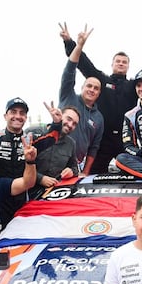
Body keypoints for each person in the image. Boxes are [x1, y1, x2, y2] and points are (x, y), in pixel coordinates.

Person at [59, 22, 142, 174]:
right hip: (102, 139)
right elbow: (84, 64)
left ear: (128, 66)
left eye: (124, 62)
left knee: (130, 173)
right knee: (93, 174)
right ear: (112, 64)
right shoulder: (101, 80)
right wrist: (70, 42)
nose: (121, 64)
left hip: (124, 140)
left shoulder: (132, 86)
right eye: (118, 61)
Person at [58, 25, 104, 176]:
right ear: (82, 87)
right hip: (54, 157)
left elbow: (94, 148)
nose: (92, 90)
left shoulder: (99, 118)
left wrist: (85, 171)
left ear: (99, 93)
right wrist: (79, 46)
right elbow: (70, 69)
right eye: (89, 86)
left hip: (75, 167)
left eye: (96, 88)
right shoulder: (68, 95)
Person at [0, 97, 32, 226]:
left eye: (22, 113)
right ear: (5, 116)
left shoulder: (30, 138)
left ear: (26, 117)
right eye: (13, 112)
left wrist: (57, 123)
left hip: (23, 199)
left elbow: (53, 138)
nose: (18, 116)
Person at [29, 104, 80, 196]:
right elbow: (19, 165)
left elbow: (75, 168)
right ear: (60, 115)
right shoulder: (34, 133)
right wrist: (40, 179)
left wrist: (71, 172)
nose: (70, 125)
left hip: (55, 193)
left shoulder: (71, 143)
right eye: (68, 119)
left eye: (74, 124)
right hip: (29, 191)